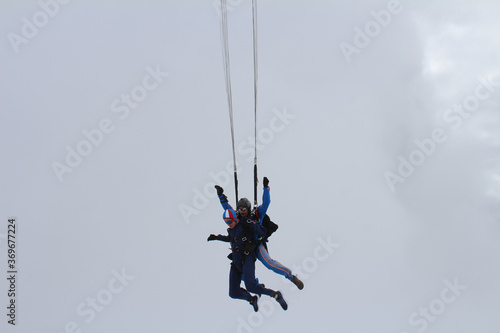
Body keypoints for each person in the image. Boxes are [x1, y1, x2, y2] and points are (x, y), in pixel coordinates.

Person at [214, 178, 304, 290]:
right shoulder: (236, 217)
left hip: (256, 245)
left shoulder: (256, 214)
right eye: (240, 209)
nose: (242, 211)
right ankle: (255, 283)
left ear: (248, 208)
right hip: (244, 249)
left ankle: (291, 277)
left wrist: (266, 188)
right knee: (239, 271)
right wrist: (221, 195)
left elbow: (266, 203)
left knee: (269, 263)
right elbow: (227, 208)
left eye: (244, 209)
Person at [207, 208, 288, 312]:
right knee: (233, 292)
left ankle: (275, 294)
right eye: (226, 222)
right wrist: (216, 237)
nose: (228, 224)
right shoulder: (231, 230)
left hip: (247, 259)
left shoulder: (245, 225)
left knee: (251, 286)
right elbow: (230, 238)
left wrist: (252, 226)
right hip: (236, 263)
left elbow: (262, 232)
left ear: (235, 218)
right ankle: (252, 299)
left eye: (229, 221)